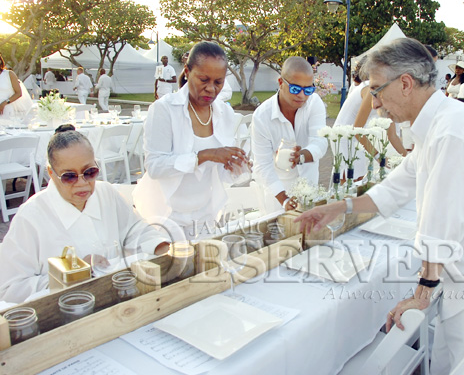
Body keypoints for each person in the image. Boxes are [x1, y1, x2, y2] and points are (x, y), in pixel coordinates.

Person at [295, 38, 464, 374]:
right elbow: (396, 187)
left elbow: (441, 222)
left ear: (405, 84)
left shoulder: (452, 131)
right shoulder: (439, 123)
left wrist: (422, 293)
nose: (374, 103)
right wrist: (338, 208)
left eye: (376, 89)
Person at [0, 125, 169, 303]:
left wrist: (161, 246)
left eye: (89, 173)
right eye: (69, 176)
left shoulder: (106, 193)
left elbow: (136, 231)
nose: (82, 184)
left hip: (118, 301)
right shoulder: (31, 217)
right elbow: (9, 289)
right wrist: (74, 273)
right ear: (51, 173)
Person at [134, 42, 249, 239]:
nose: (211, 89)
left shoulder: (225, 113)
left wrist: (236, 165)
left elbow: (220, 174)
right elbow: (154, 166)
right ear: (187, 72)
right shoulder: (164, 110)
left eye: (218, 82)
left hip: (206, 215)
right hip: (165, 216)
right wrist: (205, 155)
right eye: (203, 79)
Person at [250, 56, 328, 213]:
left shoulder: (314, 103)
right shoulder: (262, 116)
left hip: (309, 189)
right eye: (295, 89)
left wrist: (301, 156)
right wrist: (284, 200)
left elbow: (320, 142)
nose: (302, 95)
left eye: (308, 90)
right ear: (280, 83)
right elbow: (262, 165)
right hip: (277, 193)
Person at [334, 57, 406, 180]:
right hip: (345, 134)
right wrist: (380, 158)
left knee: (360, 177)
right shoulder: (370, 89)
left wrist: (407, 159)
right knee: (353, 178)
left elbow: (392, 134)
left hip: (358, 134)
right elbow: (356, 130)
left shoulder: (388, 93)